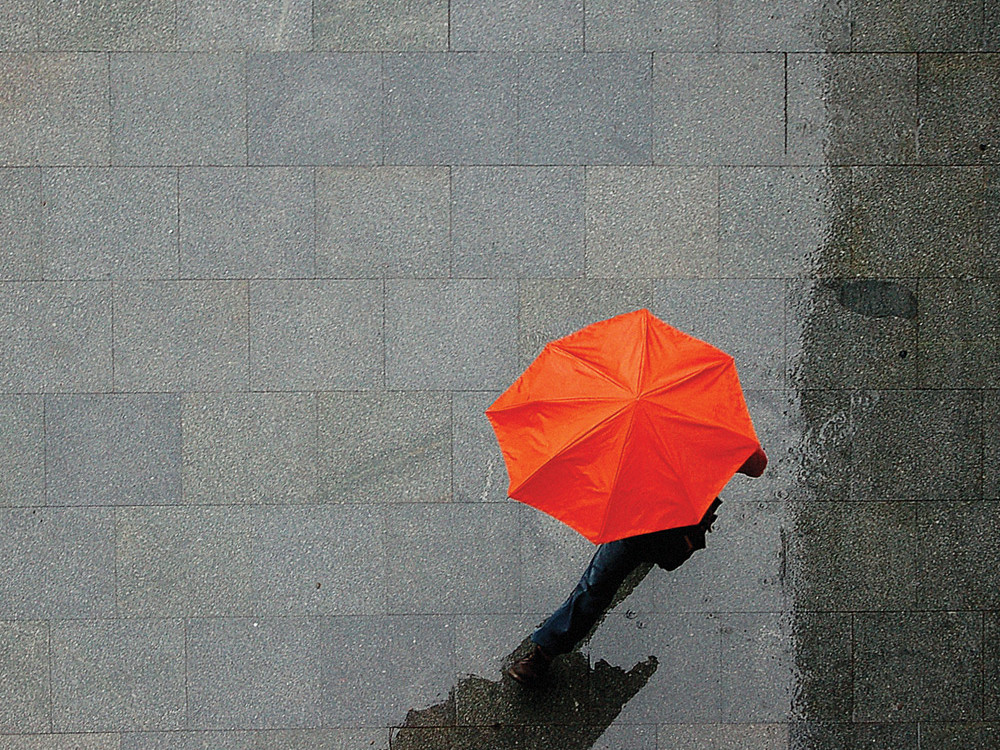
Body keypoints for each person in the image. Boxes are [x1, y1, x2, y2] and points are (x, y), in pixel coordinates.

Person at [506, 447, 767, 687]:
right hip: (635, 514)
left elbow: (756, 465)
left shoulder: (708, 418)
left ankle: (544, 653)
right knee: (597, 584)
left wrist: (725, 447)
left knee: (622, 571)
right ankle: (544, 652)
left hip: (677, 520)